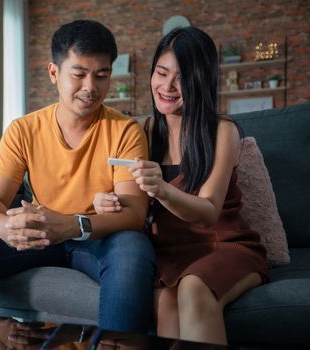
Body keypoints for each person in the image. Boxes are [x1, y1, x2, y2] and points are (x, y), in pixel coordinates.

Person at [0, 19, 155, 332]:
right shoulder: (24, 129)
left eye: (102, 75)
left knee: (132, 248)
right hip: (40, 236)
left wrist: (73, 225)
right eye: (79, 74)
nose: (91, 87)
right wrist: (5, 227)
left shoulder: (125, 130)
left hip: (95, 239)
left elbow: (134, 213)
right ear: (54, 73)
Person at [93, 26, 268, 345]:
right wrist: (104, 200)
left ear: (201, 81)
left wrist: (161, 188)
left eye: (182, 78)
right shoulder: (140, 130)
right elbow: (116, 193)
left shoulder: (221, 131)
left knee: (193, 287)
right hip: (169, 253)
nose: (168, 86)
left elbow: (208, 212)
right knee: (166, 302)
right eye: (161, 73)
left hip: (225, 245)